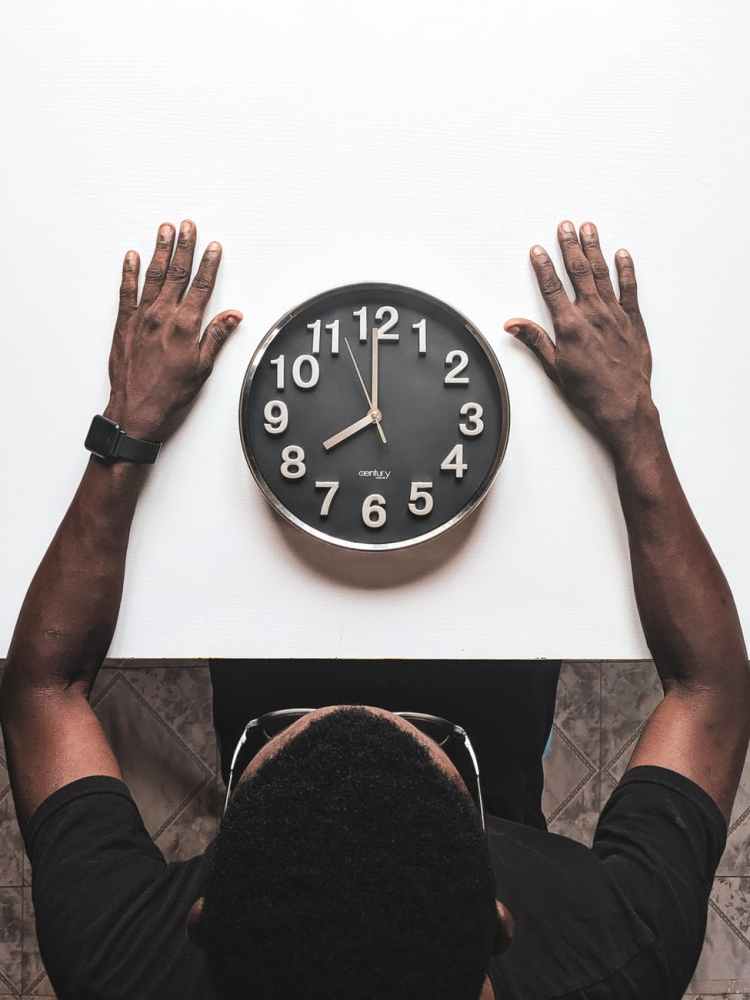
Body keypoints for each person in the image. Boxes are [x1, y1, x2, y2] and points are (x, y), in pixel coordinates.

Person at [1, 219, 747, 1000]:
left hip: (273, 645)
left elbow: (44, 687)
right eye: (417, 746)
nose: (374, 703)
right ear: (500, 923)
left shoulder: (126, 966)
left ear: (201, 919)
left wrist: (126, 429)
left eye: (291, 746)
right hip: (495, 706)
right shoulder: (614, 956)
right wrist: (633, 422)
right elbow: (711, 687)